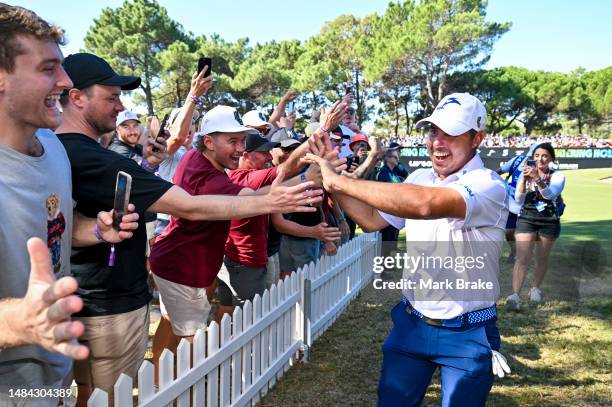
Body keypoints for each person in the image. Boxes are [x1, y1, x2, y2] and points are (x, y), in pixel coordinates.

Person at [56, 53, 320, 403]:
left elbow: (66, 220)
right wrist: (279, 199)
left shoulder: (58, 151)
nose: (121, 107)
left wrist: (144, 169)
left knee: (93, 386)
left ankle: (167, 385)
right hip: (114, 298)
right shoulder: (93, 157)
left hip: (101, 288)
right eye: (112, 97)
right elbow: (192, 206)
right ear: (76, 98)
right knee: (114, 390)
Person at [305, 93, 511, 406]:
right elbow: (371, 219)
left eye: (451, 134)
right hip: (412, 323)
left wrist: (338, 183)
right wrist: (331, 176)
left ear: (477, 139)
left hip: (468, 331)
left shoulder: (488, 183)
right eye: (433, 132)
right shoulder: (420, 176)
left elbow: (426, 204)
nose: (438, 143)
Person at [0, 6, 138, 404]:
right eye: (48, 69)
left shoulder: (55, 149)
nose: (64, 80)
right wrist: (21, 322)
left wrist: (96, 229)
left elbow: (54, 224)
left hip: (52, 373)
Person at [506, 142, 565, 311]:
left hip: (549, 219)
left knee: (542, 257)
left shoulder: (558, 176)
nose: (541, 159)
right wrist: (524, 180)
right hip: (527, 217)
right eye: (537, 156)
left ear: (552, 158)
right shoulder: (526, 173)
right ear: (533, 158)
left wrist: (537, 178)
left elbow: (550, 195)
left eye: (545, 155)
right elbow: (518, 198)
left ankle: (535, 289)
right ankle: (515, 295)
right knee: (522, 257)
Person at [496, 144, 537, 263]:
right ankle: (514, 250)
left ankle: (523, 253)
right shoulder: (517, 160)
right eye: (532, 157)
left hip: (529, 204)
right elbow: (500, 171)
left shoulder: (542, 168)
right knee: (509, 231)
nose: (532, 161)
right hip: (511, 202)